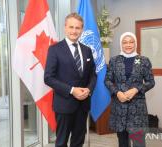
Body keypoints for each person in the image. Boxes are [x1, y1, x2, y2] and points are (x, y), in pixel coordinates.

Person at [44, 13, 97, 147]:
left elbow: (93, 75)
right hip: (64, 105)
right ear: (65, 28)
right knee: (61, 142)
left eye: (78, 28)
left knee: (78, 141)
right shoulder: (54, 49)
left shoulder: (87, 50)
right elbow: (48, 78)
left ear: (82, 29)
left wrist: (89, 89)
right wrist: (72, 90)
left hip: (83, 105)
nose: (74, 31)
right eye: (71, 27)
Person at [105, 32, 155, 147]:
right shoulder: (114, 60)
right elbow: (107, 80)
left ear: (135, 44)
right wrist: (117, 92)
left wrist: (136, 89)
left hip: (137, 108)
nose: (128, 45)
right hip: (119, 106)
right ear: (121, 44)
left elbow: (150, 82)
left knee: (139, 143)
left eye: (131, 42)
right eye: (125, 42)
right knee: (122, 142)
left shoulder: (143, 60)